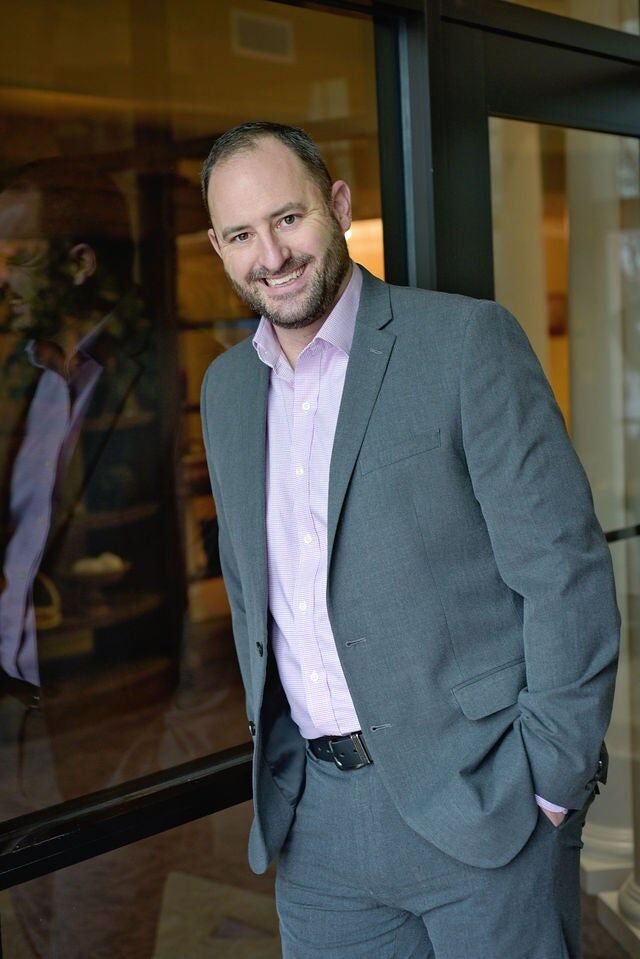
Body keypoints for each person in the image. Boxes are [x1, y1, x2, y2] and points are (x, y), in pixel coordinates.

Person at [199, 120, 620, 958]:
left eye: (288, 219)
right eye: (241, 235)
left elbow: (565, 572)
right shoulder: (227, 391)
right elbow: (251, 590)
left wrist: (547, 783)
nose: (271, 256)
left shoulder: (463, 342)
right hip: (317, 828)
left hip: (484, 803)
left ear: (338, 206)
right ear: (218, 247)